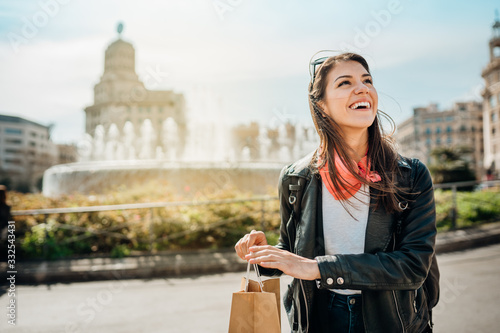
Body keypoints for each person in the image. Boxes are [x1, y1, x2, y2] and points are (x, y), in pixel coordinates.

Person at [235, 52, 439, 333]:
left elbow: (413, 266)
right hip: (320, 317)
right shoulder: (296, 178)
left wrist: (320, 269)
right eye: (345, 83)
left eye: (367, 80)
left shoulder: (411, 175)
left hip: (391, 320)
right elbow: (293, 251)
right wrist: (264, 256)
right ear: (322, 106)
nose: (362, 88)